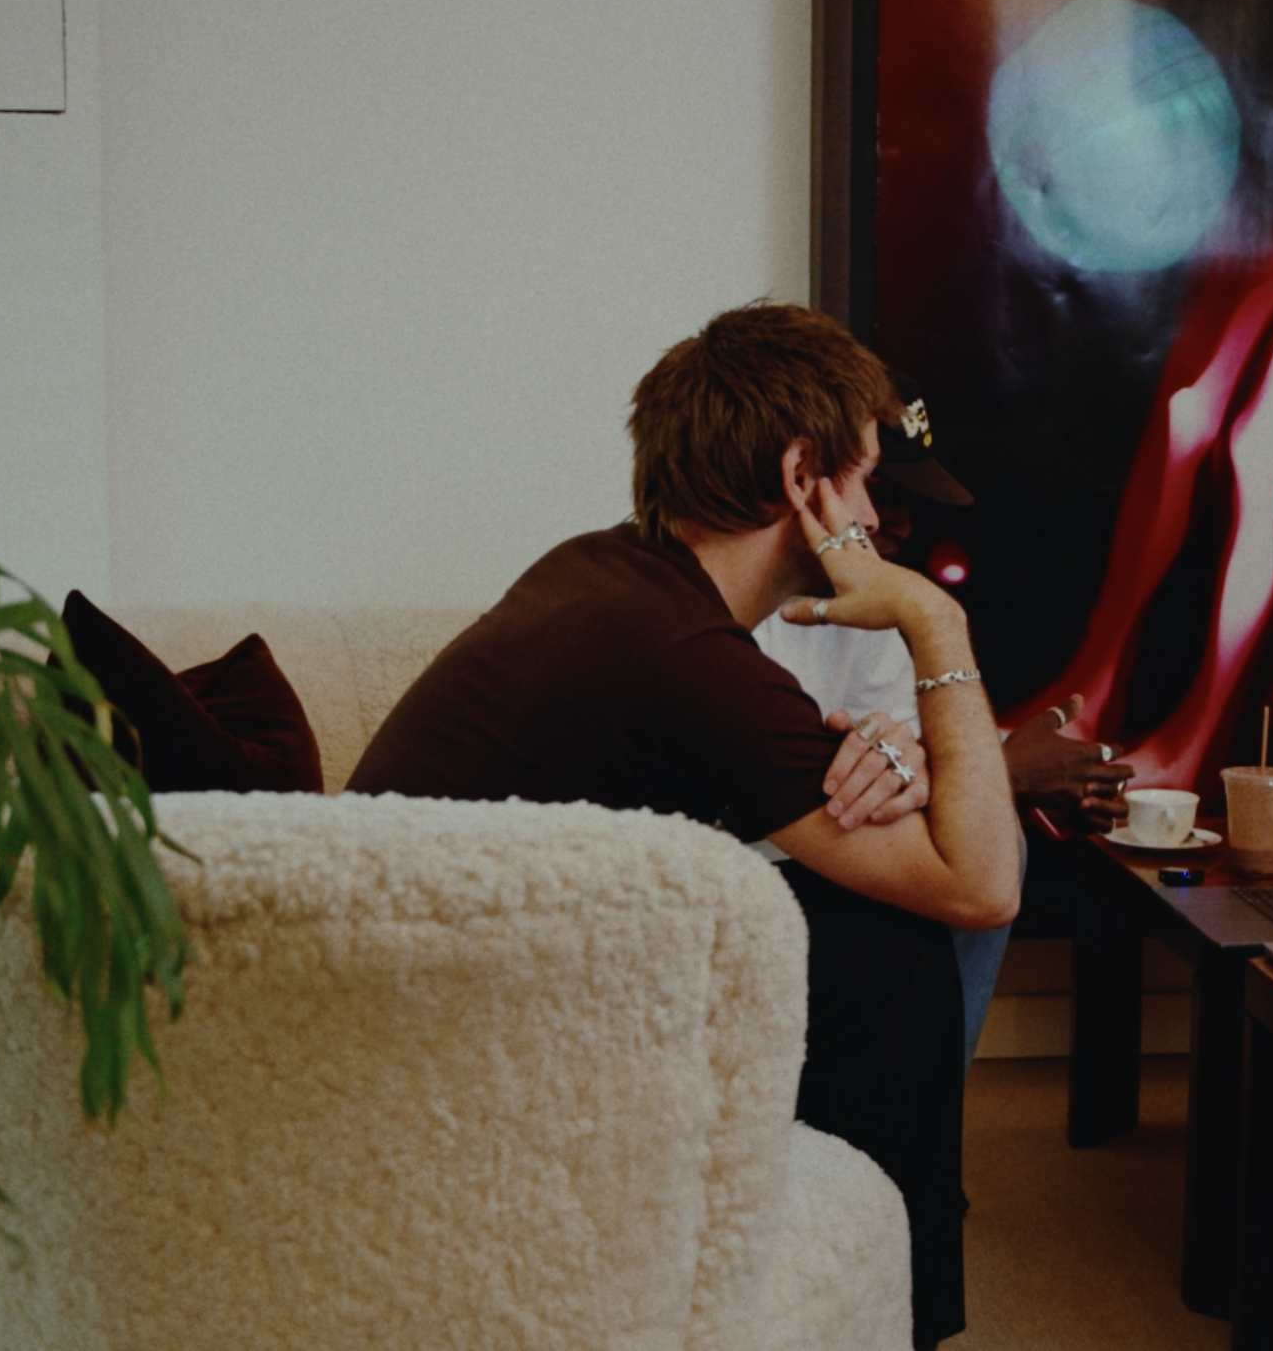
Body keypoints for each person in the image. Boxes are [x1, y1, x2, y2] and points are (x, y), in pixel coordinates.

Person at [349, 303, 1016, 1347]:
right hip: (446, 1050)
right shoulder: (682, 659)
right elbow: (984, 888)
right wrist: (936, 617)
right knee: (888, 952)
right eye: (867, 479)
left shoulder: (609, 576)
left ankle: (870, 1266)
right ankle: (888, 1307)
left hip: (443, 991)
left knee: (844, 928)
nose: (883, 517)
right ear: (804, 482)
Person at [752, 373, 1134, 1070]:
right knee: (988, 842)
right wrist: (1005, 770)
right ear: (805, 481)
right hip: (755, 876)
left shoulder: (872, 605)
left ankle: (927, 1104)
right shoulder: (750, 606)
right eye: (879, 491)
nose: (885, 521)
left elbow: (906, 749)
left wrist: (994, 763)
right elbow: (818, 791)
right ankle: (924, 1100)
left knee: (984, 830)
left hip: (825, 858)